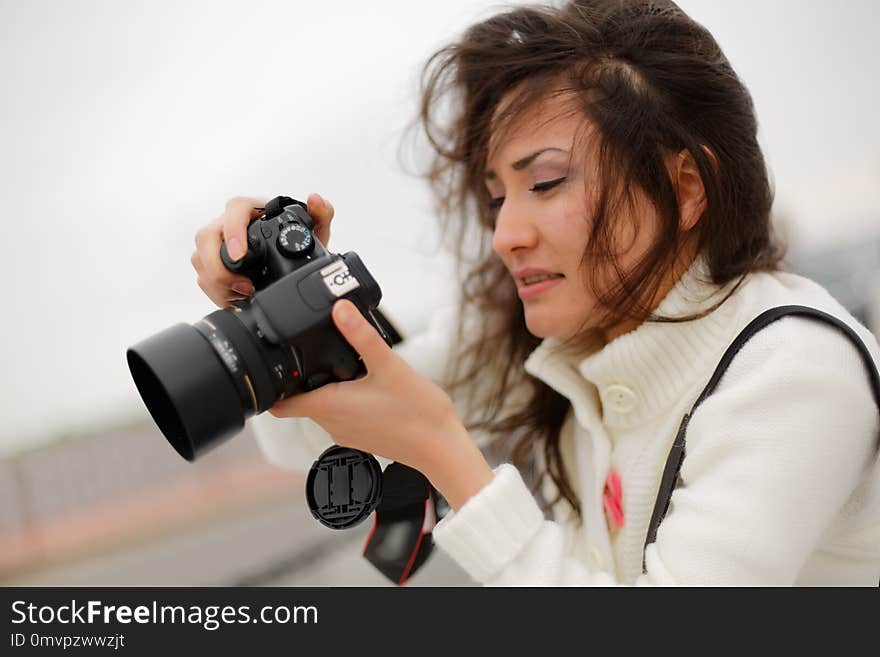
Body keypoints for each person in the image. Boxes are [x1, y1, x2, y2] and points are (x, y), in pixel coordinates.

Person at [190, 0, 880, 585]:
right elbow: (313, 435)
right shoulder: (566, 336)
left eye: (546, 183)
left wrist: (445, 451)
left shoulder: (793, 372)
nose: (505, 234)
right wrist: (268, 304)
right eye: (496, 197)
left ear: (685, 187)